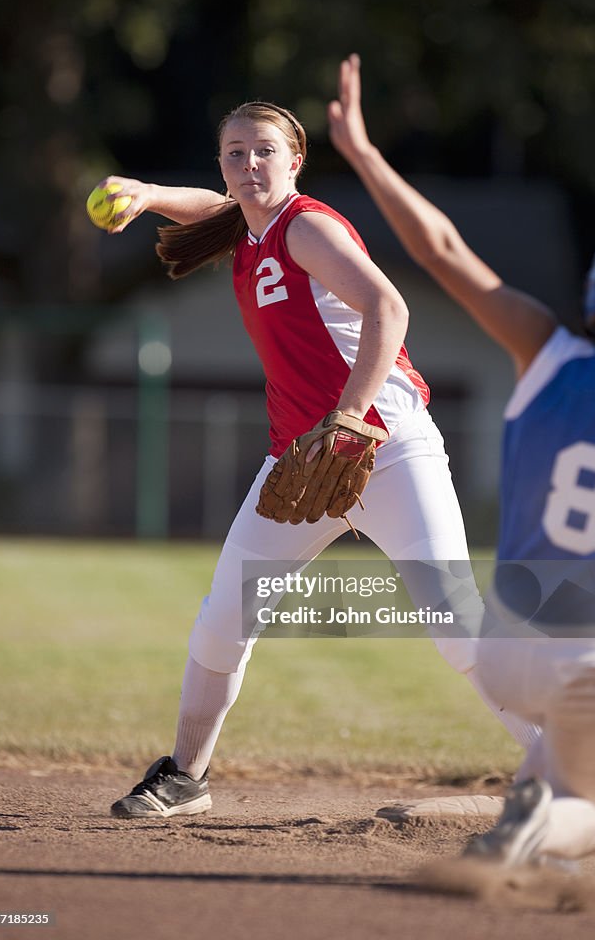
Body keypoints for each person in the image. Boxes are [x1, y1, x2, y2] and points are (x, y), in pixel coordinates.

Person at [95, 97, 538, 818]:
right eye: (234, 152)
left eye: (264, 150)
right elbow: (211, 204)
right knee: (222, 621)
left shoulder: (305, 227)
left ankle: (562, 762)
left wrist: (349, 416)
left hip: (386, 446)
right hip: (300, 459)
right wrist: (146, 196)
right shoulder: (246, 226)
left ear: (294, 160)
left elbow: (388, 307)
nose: (248, 165)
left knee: (453, 620)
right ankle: (185, 776)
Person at [328, 53, 595, 867]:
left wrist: (364, 154)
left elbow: (439, 248)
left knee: (556, 754)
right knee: (592, 813)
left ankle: (518, 818)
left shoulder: (545, 353)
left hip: (509, 641)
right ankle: (538, 825)